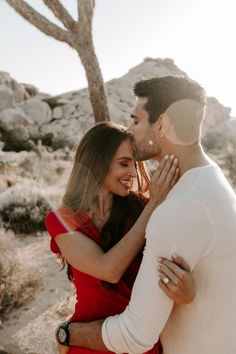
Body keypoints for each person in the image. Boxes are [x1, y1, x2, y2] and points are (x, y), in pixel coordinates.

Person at [59, 76, 236, 354]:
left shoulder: (181, 206)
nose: (130, 130)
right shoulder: (209, 180)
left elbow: (135, 335)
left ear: (162, 124)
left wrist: (68, 333)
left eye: (136, 120)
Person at [45, 121, 196, 354]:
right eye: (124, 164)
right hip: (87, 345)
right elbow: (108, 270)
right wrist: (154, 204)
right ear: (97, 163)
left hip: (137, 344)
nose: (133, 173)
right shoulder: (62, 219)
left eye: (135, 165)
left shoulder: (143, 209)